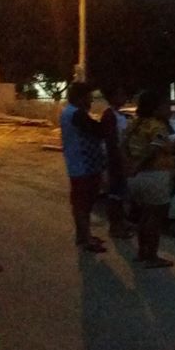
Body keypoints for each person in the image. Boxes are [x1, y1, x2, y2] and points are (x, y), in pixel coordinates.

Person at [124, 90, 175, 268]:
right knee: (155, 218)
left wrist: (130, 166)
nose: (170, 110)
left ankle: (142, 252)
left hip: (135, 178)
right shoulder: (157, 126)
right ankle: (152, 256)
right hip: (154, 175)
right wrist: (139, 165)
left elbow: (122, 146)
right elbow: (154, 149)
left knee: (144, 216)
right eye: (167, 106)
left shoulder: (134, 124)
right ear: (156, 109)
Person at [60, 82, 108, 253]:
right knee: (83, 204)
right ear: (80, 97)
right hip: (83, 165)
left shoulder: (69, 112)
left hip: (81, 164)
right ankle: (86, 239)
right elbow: (98, 130)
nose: (90, 101)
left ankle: (83, 235)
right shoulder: (77, 114)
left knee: (82, 203)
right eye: (88, 97)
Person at [99, 85, 134, 239]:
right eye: (120, 95)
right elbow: (112, 142)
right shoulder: (109, 115)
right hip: (115, 160)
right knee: (115, 195)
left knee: (120, 194)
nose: (124, 98)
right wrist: (120, 160)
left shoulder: (119, 114)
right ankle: (115, 227)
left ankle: (121, 223)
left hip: (120, 157)